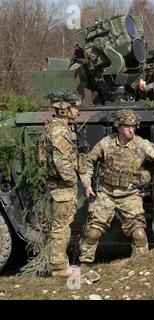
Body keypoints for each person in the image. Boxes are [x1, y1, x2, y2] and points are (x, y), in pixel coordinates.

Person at [78, 109, 154, 270]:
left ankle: (141, 267)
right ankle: (84, 266)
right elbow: (88, 162)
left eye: (134, 126)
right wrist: (87, 184)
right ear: (119, 126)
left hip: (130, 194)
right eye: (127, 126)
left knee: (139, 234)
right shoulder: (106, 143)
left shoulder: (141, 145)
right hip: (106, 193)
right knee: (92, 232)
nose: (131, 130)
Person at [39, 90, 81, 277]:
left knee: (59, 226)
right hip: (62, 188)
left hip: (56, 186)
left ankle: (58, 265)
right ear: (65, 108)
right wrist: (73, 180)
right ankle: (59, 267)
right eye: (74, 106)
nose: (77, 110)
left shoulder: (53, 128)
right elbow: (62, 162)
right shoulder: (59, 130)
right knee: (61, 227)